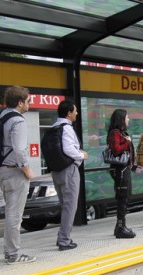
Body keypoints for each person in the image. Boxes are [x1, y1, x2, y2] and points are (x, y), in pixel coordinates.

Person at [0, 86, 37, 264]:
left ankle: (9, 251)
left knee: (11, 212)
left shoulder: (1, 116)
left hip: (1, 170)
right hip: (14, 171)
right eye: (27, 100)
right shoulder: (18, 121)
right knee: (14, 214)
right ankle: (13, 254)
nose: (29, 103)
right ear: (20, 102)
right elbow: (19, 149)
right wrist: (26, 169)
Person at [51, 99, 87, 249]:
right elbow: (68, 149)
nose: (77, 113)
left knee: (64, 205)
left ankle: (63, 237)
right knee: (70, 205)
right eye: (75, 110)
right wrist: (81, 155)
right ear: (69, 113)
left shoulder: (54, 126)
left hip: (56, 170)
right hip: (68, 170)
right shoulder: (66, 128)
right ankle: (64, 240)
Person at [107, 109, 137, 239]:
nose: (128, 120)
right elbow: (116, 150)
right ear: (121, 119)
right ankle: (120, 228)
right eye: (127, 117)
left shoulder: (121, 133)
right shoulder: (115, 133)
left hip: (125, 169)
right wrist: (128, 141)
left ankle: (120, 226)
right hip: (119, 170)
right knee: (122, 198)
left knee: (126, 196)